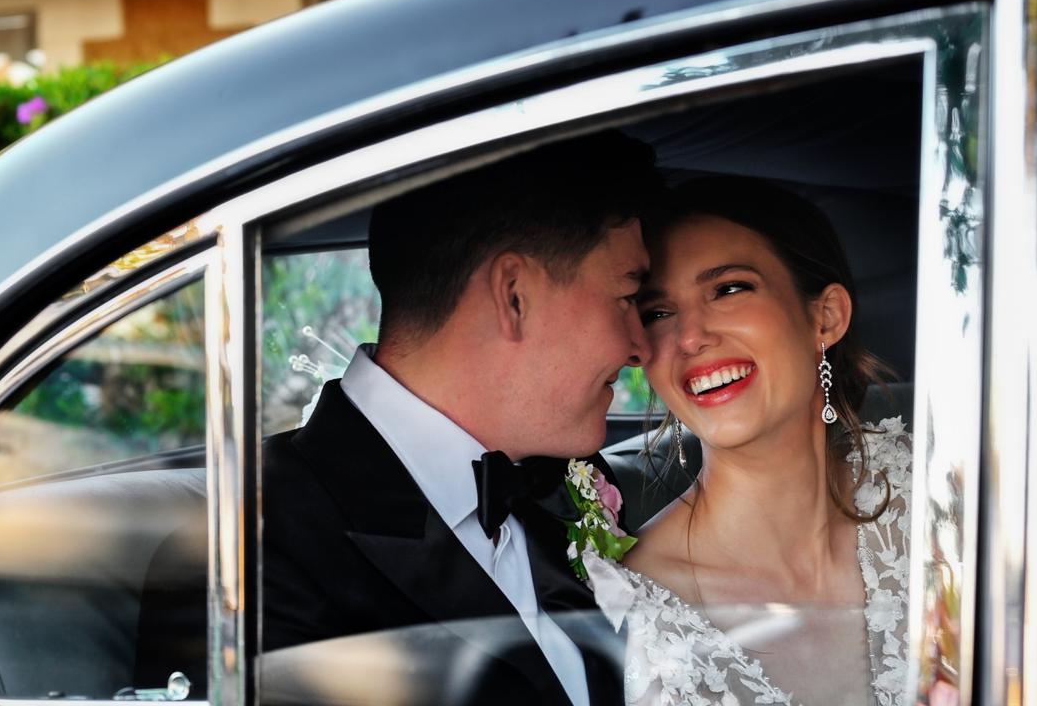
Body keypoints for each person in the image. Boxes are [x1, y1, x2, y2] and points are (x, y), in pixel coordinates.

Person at [261, 131, 661, 706]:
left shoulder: (569, 482)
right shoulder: (247, 549)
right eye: (626, 297)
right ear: (514, 295)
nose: (639, 348)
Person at [582, 176, 912, 706]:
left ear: (825, 317)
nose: (690, 337)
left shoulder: (942, 498)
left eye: (729, 289)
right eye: (658, 313)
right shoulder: (630, 610)